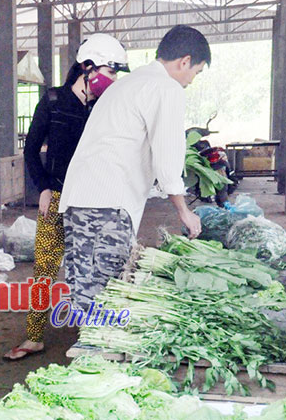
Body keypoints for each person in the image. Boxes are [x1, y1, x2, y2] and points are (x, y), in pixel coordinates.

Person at [59, 25, 210, 312]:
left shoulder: (129, 83)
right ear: (185, 61)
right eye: (196, 72)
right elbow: (168, 158)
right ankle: (97, 353)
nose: (191, 80)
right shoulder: (166, 88)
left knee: (85, 289)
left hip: (79, 201)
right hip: (108, 206)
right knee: (107, 293)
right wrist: (184, 211)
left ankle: (87, 349)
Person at [4, 34, 130, 361]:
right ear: (87, 67)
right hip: (58, 197)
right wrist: (44, 188)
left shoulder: (107, 106)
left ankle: (91, 336)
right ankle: (34, 337)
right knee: (45, 267)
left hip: (92, 201)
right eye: (109, 71)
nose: (113, 79)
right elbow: (31, 150)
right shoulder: (53, 101)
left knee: (88, 269)